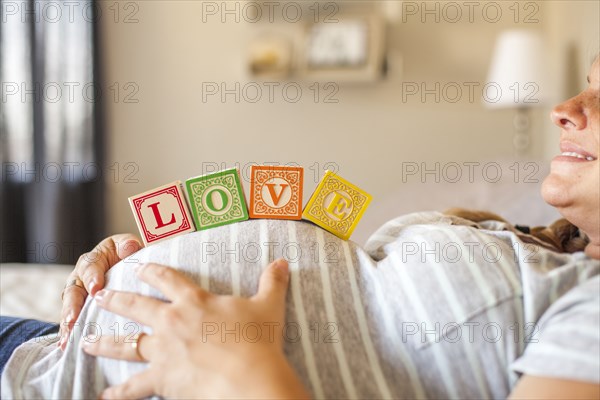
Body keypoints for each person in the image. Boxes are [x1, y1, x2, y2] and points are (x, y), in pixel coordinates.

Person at [1, 57, 599, 399]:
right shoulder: (541, 250)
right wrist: (124, 261)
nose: (566, 108)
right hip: (40, 345)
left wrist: (240, 373)